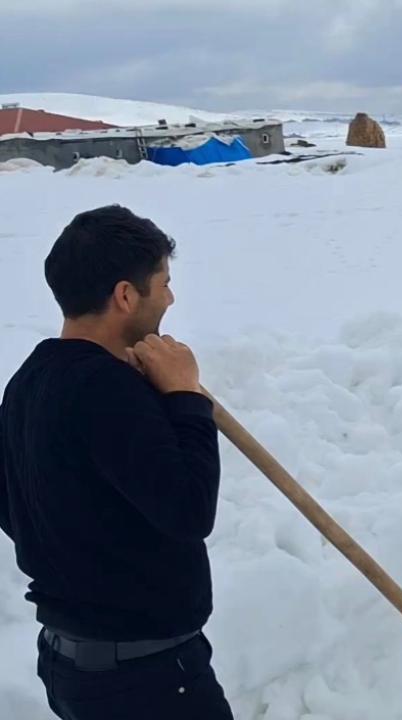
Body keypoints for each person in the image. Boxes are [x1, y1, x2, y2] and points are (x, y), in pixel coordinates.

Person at [0, 205, 233, 719]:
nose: (170, 297)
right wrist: (184, 398)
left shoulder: (29, 381)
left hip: (74, 670)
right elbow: (191, 512)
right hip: (146, 678)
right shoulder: (108, 392)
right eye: (163, 283)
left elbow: (16, 510)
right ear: (126, 295)